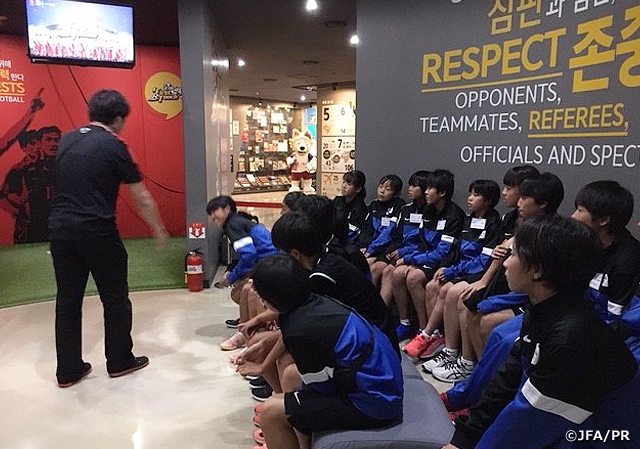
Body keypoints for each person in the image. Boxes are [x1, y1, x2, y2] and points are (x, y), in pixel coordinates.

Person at [442, 215, 637, 449]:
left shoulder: (571, 338)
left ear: (537, 270)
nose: (505, 263)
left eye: (513, 255)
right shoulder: (542, 309)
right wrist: (464, 437)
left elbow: (525, 423)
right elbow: (506, 380)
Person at [49, 89, 169, 388]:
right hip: (97, 230)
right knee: (115, 298)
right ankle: (119, 360)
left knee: (67, 301)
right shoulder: (115, 145)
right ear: (117, 118)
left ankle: (68, 370)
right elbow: (140, 196)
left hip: (60, 230)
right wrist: (158, 227)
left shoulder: (67, 139)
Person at [252, 253, 403, 449]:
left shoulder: (300, 330)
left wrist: (288, 403)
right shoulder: (313, 301)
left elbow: (322, 388)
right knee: (289, 377)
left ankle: (280, 432)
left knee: (270, 412)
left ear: (269, 299)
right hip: (381, 385)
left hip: (375, 404)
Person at [403, 179, 503, 369]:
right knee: (432, 286)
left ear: (488, 200)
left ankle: (445, 347)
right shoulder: (467, 219)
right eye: (470, 193)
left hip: (476, 273)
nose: (470, 198)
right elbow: (454, 251)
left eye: (476, 195)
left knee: (449, 291)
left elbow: (484, 260)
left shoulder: (494, 223)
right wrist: (446, 267)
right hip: (460, 268)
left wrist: (453, 271)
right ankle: (435, 338)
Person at [206, 195, 278, 350]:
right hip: (271, 264)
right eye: (210, 213)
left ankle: (250, 333)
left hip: (270, 267)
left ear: (227, 209)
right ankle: (246, 330)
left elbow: (249, 255)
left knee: (243, 291)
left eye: (215, 211)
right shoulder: (238, 221)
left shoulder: (232, 225)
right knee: (242, 290)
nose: (212, 216)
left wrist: (231, 276)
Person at [359, 174, 405, 271]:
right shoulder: (374, 205)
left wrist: (372, 249)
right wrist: (363, 245)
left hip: (385, 248)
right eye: (380, 187)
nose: (382, 191)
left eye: (387, 189)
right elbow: (367, 227)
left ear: (395, 193)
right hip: (370, 246)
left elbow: (389, 232)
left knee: (369, 267)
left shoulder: (399, 206)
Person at [333, 170, 368, 244]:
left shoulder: (360, 208)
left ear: (358, 189)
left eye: (349, 184)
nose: (344, 186)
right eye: (343, 182)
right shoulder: (337, 200)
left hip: (347, 242)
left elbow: (353, 233)